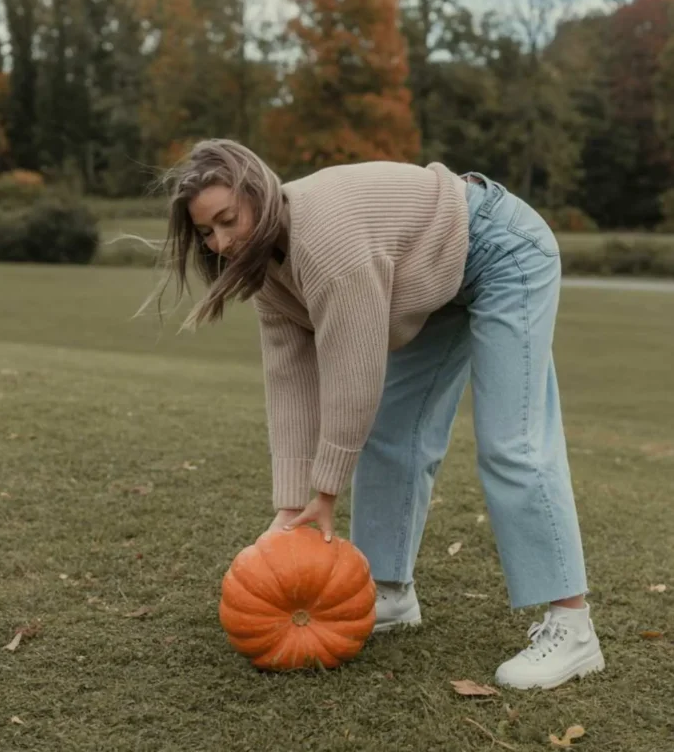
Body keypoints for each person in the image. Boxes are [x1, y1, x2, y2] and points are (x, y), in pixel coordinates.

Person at [155, 138, 605, 691]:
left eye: (227, 220)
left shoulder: (326, 245)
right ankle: (387, 591)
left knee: (511, 441)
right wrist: (289, 504)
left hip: (501, 248)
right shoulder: (265, 268)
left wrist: (325, 493)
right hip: (433, 277)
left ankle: (572, 627)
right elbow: (290, 382)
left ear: (260, 194)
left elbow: (353, 375)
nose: (220, 243)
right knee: (393, 434)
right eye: (206, 232)